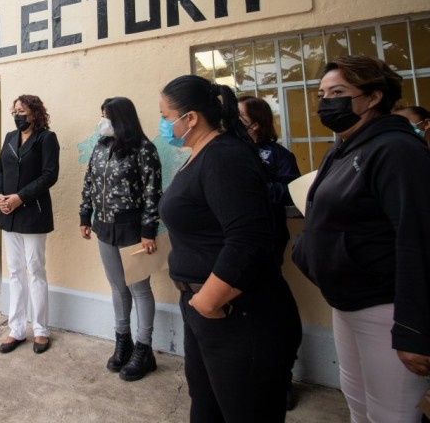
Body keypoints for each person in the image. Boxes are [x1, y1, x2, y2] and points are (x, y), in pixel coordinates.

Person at [292, 56, 430, 423]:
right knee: (358, 403)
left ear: (372, 98)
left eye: (338, 92)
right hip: (346, 302)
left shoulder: (396, 150)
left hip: (384, 307)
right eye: (321, 94)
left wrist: (414, 328)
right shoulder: (342, 148)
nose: (326, 102)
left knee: (392, 414)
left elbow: (417, 239)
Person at [158, 75, 301, 422]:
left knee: (245, 410)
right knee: (207, 407)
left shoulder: (225, 156)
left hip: (235, 313)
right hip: (206, 311)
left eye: (165, 116)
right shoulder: (200, 155)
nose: (163, 124)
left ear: (190, 118)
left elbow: (249, 240)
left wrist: (208, 301)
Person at [79, 97, 162, 382]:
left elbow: (153, 192)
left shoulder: (143, 149)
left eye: (107, 117)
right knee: (117, 287)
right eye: (101, 115)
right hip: (104, 226)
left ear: (122, 119)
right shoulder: (101, 146)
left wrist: (148, 230)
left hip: (132, 227)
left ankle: (144, 349)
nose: (102, 122)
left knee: (139, 288)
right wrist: (84, 215)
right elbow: (89, 181)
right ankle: (122, 341)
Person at [0, 95, 60, 355]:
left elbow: (49, 175)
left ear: (35, 113)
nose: (17, 114)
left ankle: (41, 330)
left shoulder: (46, 138)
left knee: (34, 270)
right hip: (7, 213)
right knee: (15, 272)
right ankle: (17, 329)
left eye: (22, 110)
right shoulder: (10, 137)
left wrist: (20, 197)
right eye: (15, 110)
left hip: (33, 213)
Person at [237, 96, 301, 262]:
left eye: (239, 116)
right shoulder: (225, 152)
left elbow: (292, 192)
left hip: (268, 235)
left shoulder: (279, 155)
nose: (232, 121)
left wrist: (257, 189)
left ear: (256, 124)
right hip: (232, 235)